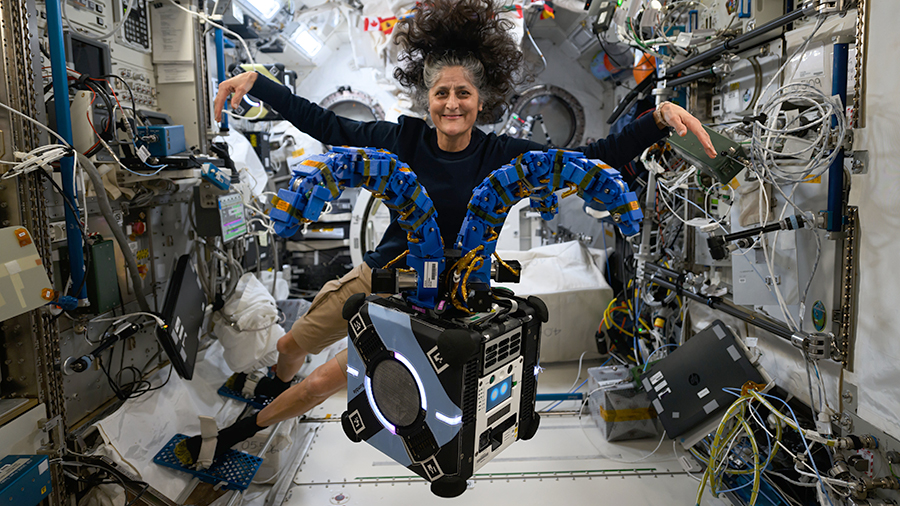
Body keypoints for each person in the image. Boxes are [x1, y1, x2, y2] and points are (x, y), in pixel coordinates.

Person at [174, 0, 715, 466]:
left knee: (320, 384)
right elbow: (331, 126)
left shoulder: (503, 154)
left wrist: (657, 117)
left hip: (433, 297)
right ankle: (269, 385)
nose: (451, 104)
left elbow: (590, 159)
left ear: (481, 101)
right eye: (441, 93)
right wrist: (261, 84)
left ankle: (238, 437)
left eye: (462, 94)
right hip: (380, 274)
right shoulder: (401, 140)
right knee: (292, 347)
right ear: (426, 99)